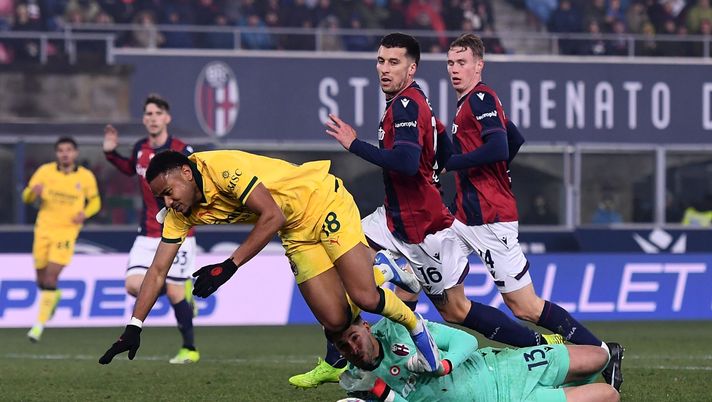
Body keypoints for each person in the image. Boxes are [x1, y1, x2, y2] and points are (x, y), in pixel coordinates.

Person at [289, 32, 563, 390]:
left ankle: (537, 343)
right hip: (394, 218)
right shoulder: (407, 102)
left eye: (394, 62)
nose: (384, 68)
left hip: (421, 227)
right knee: (344, 262)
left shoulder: (407, 104)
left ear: (411, 68)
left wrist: (354, 144)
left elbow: (406, 162)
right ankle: (338, 358)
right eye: (381, 61)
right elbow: (441, 152)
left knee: (456, 310)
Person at [98, 149, 440, 370]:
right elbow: (158, 270)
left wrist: (228, 266)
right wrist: (134, 327)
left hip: (321, 200)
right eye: (160, 197)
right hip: (295, 230)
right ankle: (378, 269)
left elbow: (271, 216)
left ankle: (408, 314)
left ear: (186, 174)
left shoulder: (223, 170)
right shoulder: (179, 214)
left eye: (168, 192)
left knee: (365, 297)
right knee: (335, 322)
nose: (167, 202)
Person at [441, 33, 623, 390]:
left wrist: (456, 165)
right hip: (463, 217)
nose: (454, 69)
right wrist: (485, 175)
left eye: (462, 62)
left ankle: (602, 351)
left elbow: (498, 146)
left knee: (525, 306)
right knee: (449, 303)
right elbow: (515, 139)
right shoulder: (469, 103)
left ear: (479, 65)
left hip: (491, 219)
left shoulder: (480, 98)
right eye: (450, 63)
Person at [103, 94, 200, 364]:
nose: (153, 118)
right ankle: (178, 288)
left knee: (174, 291)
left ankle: (189, 349)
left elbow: (197, 183)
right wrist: (110, 153)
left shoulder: (181, 150)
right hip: (147, 231)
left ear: (167, 118)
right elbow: (128, 169)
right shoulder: (140, 148)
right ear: (144, 119)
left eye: (158, 113)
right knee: (133, 285)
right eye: (148, 114)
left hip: (179, 230)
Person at [334, 316, 620, 402]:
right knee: (609, 395)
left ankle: (564, 385)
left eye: (354, 337)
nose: (352, 348)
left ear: (366, 327)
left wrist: (443, 365)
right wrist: (382, 392)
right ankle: (560, 391)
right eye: (343, 346)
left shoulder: (398, 328)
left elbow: (466, 341)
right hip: (505, 400)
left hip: (502, 366)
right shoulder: (361, 384)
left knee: (599, 357)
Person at [23, 137, 101, 342]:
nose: (65, 154)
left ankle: (38, 326)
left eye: (68, 150)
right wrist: (32, 193)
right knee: (41, 280)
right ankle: (54, 296)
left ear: (75, 153)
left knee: (51, 278)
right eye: (61, 150)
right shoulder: (44, 171)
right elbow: (26, 197)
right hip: (43, 230)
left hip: (66, 232)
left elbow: (95, 202)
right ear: (56, 153)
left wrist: (85, 213)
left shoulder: (85, 176)